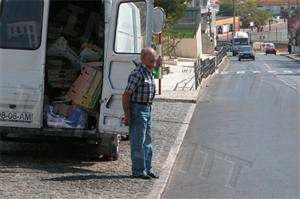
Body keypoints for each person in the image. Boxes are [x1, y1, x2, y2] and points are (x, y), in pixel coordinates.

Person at [122, 47, 159, 179]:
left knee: (147, 141)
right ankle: (138, 171)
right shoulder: (137, 74)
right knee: (138, 142)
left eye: (155, 58)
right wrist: (127, 115)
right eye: (151, 59)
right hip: (138, 109)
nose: (154, 61)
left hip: (147, 109)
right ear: (143, 59)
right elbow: (126, 95)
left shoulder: (149, 72)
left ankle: (148, 169)